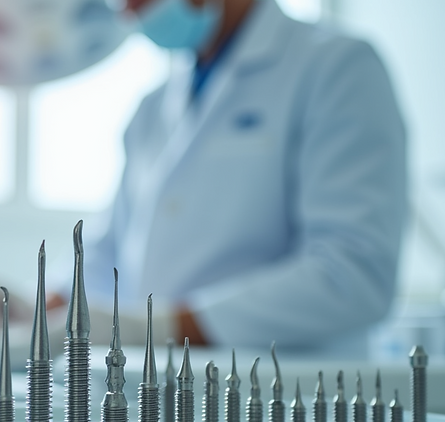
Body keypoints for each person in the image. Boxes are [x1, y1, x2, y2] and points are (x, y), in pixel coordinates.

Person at [72, 0, 406, 351]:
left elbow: (353, 273)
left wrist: (165, 326)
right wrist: (48, 305)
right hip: (155, 382)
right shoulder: (152, 106)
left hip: (285, 385)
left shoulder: (338, 66)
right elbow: (108, 251)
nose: (127, 13)